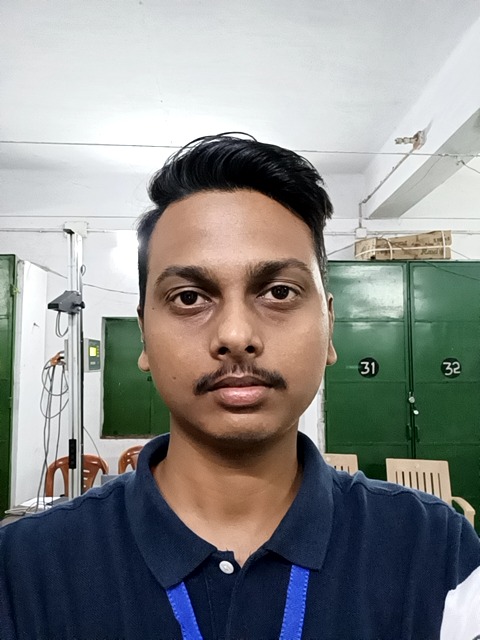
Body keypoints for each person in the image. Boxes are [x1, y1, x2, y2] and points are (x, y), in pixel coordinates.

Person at [1, 134, 479, 640]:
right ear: (143, 334)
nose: (234, 335)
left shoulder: (435, 550)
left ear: (329, 325)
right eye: (189, 297)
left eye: (279, 291)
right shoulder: (25, 570)